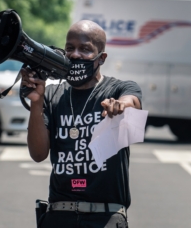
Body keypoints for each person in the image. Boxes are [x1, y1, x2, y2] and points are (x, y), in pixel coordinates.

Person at [21, 20, 142, 228]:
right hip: (59, 215)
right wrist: (36, 102)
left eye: (85, 49)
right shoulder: (52, 95)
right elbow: (38, 154)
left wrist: (120, 106)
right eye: (70, 48)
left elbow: (132, 103)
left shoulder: (119, 89)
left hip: (105, 217)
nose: (75, 55)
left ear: (101, 58)